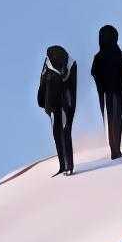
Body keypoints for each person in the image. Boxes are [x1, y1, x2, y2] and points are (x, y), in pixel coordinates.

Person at [37, 44, 78, 175]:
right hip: (54, 104)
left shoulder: (70, 64)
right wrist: (42, 100)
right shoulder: (48, 64)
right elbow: (43, 82)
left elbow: (72, 89)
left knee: (65, 132)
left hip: (64, 104)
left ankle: (68, 166)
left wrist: (70, 106)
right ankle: (63, 165)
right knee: (57, 133)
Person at [91, 24, 122, 159]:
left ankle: (114, 150)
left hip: (106, 93)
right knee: (117, 119)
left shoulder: (99, 56)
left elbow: (94, 72)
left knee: (109, 120)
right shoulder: (117, 53)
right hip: (118, 92)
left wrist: (102, 83)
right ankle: (116, 150)